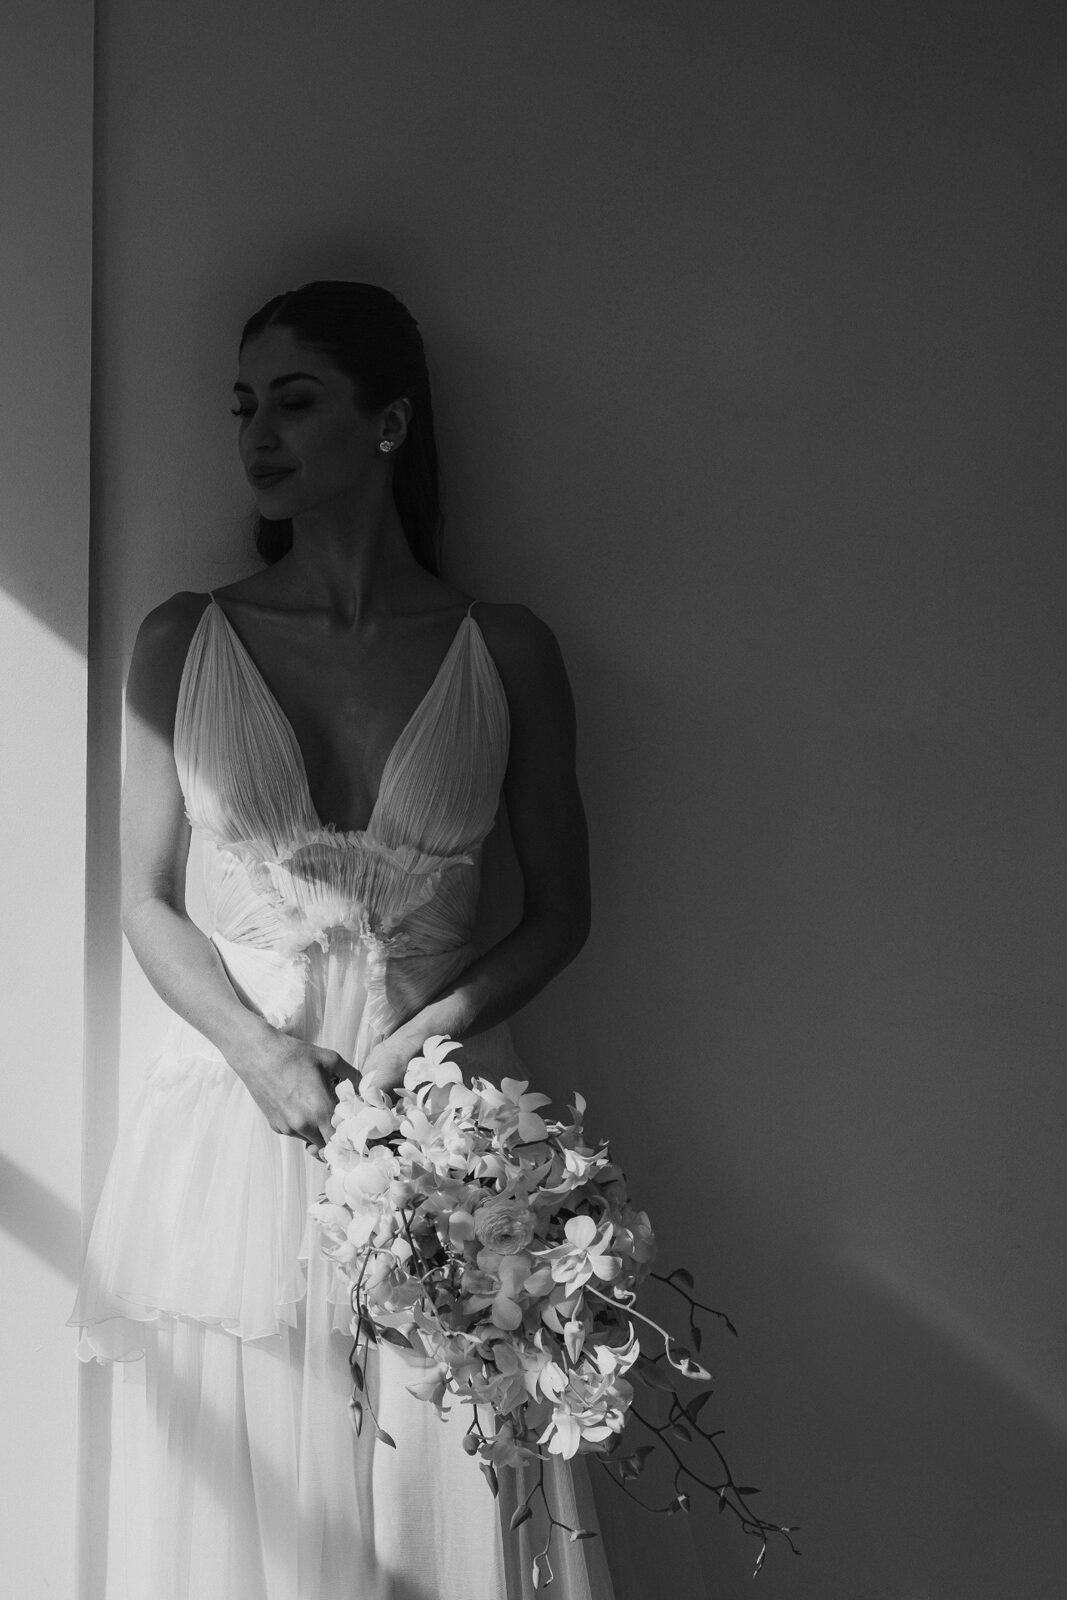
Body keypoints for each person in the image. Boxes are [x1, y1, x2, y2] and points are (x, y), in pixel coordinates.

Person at [70, 281, 617, 1600]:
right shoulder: (183, 639)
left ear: (389, 423)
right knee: (258, 1504)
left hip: (442, 1126)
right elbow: (144, 897)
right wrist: (260, 1053)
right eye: (243, 406)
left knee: (450, 1485)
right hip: (241, 1128)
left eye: (296, 400)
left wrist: (423, 1045)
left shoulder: (506, 650)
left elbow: (562, 908)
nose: (257, 435)